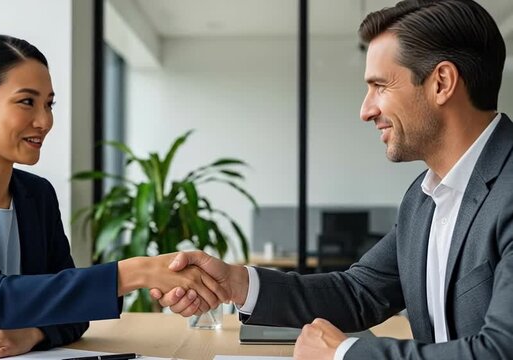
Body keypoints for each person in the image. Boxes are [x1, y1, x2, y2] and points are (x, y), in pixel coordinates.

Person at [152, 0, 513, 359]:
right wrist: (236, 283)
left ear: (442, 83)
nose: (366, 110)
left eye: (380, 86)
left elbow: (501, 351)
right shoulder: (423, 198)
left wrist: (344, 354)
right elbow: (359, 292)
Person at [0, 34, 227, 360]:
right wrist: (139, 270)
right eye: (27, 102)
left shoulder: (36, 195)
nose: (44, 121)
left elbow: (73, 311)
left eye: (49, 104)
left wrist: (31, 333)